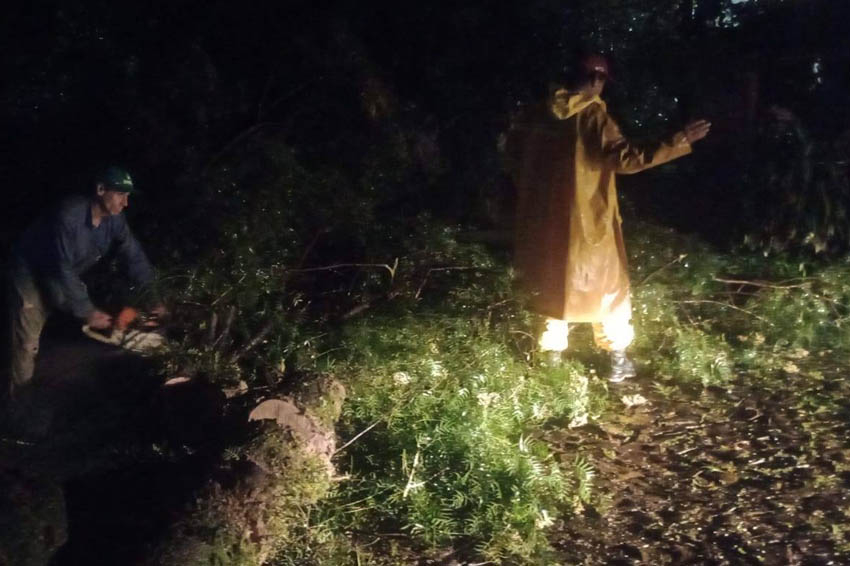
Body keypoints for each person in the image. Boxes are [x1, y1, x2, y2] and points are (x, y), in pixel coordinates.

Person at [507, 54, 711, 381]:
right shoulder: (591, 116)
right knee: (610, 290)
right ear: (593, 80)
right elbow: (626, 159)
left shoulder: (536, 115)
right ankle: (617, 361)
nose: (601, 86)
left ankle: (550, 365)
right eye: (600, 80)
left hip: (544, 221)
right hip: (587, 221)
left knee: (551, 287)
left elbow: (514, 158)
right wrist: (679, 141)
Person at [4, 166, 165, 404]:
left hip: (61, 276)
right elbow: (61, 267)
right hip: (30, 273)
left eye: (128, 196)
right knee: (27, 341)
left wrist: (153, 298)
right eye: (120, 194)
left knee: (69, 318)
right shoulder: (68, 215)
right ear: (100, 190)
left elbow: (134, 256)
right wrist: (87, 310)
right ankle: (18, 404)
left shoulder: (115, 220)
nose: (125, 203)